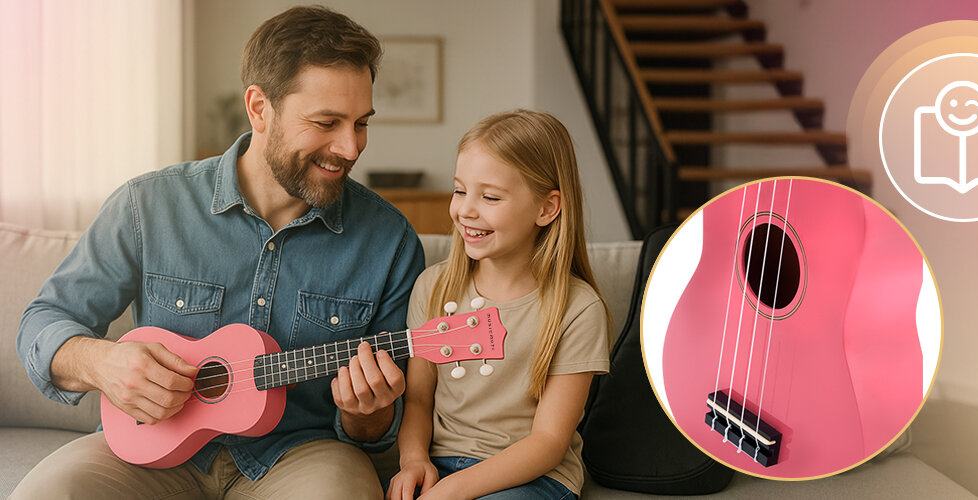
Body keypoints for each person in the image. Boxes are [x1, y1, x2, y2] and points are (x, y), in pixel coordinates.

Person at [13, 6, 423, 499]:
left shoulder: (391, 241)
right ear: (259, 107)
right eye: (326, 122)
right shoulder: (148, 205)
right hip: (150, 450)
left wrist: (368, 414)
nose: (350, 148)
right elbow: (44, 321)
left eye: (361, 123)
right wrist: (101, 362)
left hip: (301, 453)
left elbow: (382, 427)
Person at [387, 110, 611, 500]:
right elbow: (419, 399)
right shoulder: (433, 287)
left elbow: (548, 442)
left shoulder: (578, 309)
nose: (466, 211)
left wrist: (453, 490)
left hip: (534, 476)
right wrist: (413, 461)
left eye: (490, 197)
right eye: (460, 191)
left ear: (546, 208)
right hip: (441, 463)